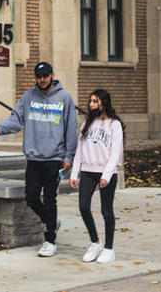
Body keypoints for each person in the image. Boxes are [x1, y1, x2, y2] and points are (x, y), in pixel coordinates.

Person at [0, 61, 78, 257]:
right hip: (34, 157)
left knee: (50, 200)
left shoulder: (64, 98)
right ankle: (51, 221)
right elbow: (16, 119)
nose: (42, 80)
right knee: (32, 197)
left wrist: (69, 156)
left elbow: (71, 129)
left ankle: (50, 240)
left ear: (52, 75)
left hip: (55, 158)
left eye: (45, 76)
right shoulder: (28, 97)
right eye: (38, 77)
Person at [69, 88, 123, 263]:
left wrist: (106, 175)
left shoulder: (114, 124)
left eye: (95, 101)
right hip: (87, 171)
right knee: (83, 207)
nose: (91, 105)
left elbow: (116, 152)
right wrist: (74, 173)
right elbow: (79, 151)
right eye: (90, 101)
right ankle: (95, 242)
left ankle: (109, 248)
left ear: (104, 103)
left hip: (106, 173)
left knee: (106, 211)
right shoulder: (86, 124)